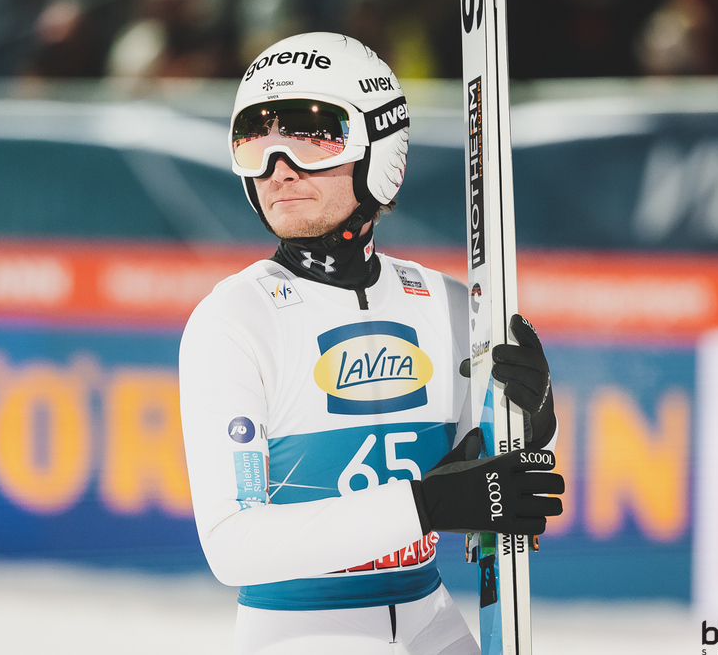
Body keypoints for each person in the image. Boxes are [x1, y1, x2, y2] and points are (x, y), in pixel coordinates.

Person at [179, 32, 564, 655]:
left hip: (431, 619)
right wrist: (430, 503)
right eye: (253, 142)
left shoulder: (448, 302)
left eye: (310, 137)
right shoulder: (235, 319)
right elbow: (233, 546)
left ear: (379, 149)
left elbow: (491, 471)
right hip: (300, 632)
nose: (278, 168)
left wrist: (534, 418)